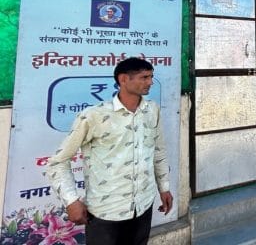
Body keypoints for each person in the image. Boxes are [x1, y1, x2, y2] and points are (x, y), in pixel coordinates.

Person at [46, 58, 172, 244]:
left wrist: (164, 187)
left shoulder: (152, 110)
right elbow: (58, 162)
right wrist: (71, 200)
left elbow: (158, 150)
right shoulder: (94, 115)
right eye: (144, 77)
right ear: (123, 79)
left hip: (143, 205)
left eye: (151, 77)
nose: (150, 82)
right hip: (106, 212)